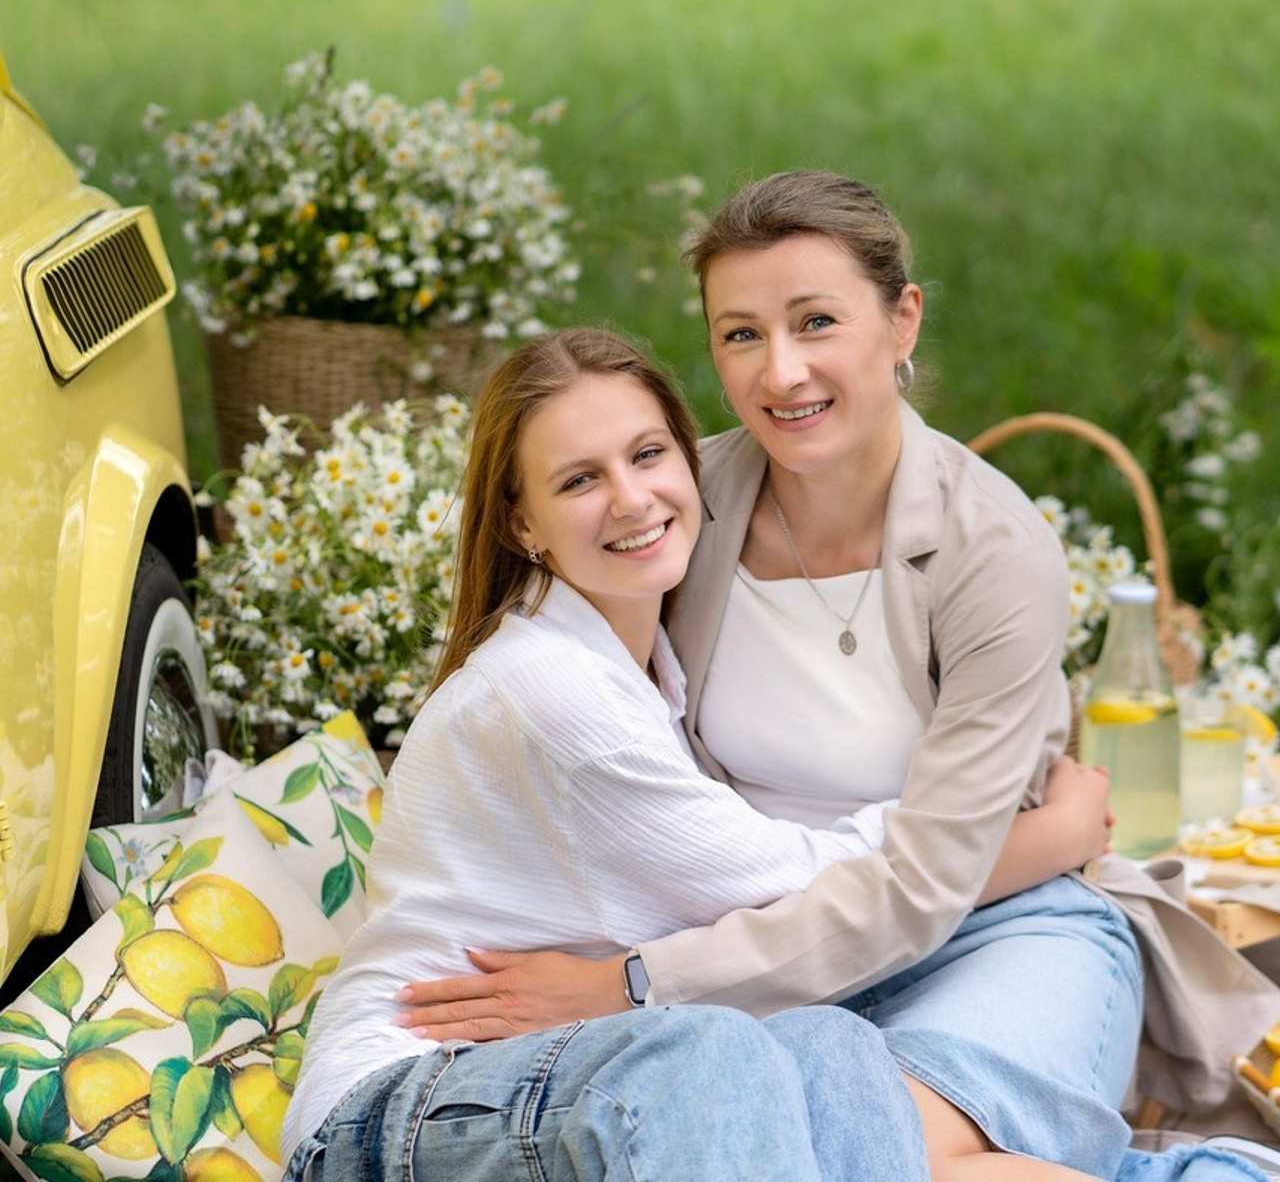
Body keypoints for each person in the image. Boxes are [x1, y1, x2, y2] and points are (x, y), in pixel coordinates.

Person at [391, 176, 1280, 1182]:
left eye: (815, 320)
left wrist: (634, 984)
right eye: (739, 334)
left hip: (994, 930)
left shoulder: (991, 549)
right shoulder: (674, 508)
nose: (781, 370)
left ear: (900, 320)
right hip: (756, 958)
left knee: (872, 1160)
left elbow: (923, 886)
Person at [282, 327, 1114, 1182]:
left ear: (693, 466)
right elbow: (797, 877)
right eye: (580, 480)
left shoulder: (643, 667)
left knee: (827, 1047)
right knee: (708, 1052)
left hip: (558, 1080)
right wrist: (1043, 831)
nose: (632, 498)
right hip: (397, 1111)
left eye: (648, 455)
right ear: (522, 524)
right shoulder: (551, 690)